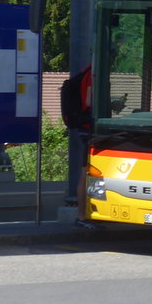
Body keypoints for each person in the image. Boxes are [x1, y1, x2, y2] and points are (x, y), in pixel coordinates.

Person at [60, 65, 92, 211]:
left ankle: (83, 214)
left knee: (85, 173)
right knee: (85, 174)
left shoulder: (86, 71)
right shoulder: (93, 74)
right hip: (88, 128)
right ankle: (82, 215)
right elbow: (89, 101)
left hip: (83, 127)